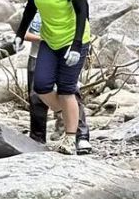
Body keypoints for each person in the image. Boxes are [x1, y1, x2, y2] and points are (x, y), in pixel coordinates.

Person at [14, 0, 91, 155]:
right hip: (49, 39)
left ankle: (71, 138)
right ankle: (67, 114)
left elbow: (82, 11)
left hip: (73, 40)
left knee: (67, 90)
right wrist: (20, 34)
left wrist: (77, 45)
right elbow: (31, 6)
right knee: (42, 86)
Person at [24, 14, 91, 153]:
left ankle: (81, 136)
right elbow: (22, 33)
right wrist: (45, 39)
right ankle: (37, 139)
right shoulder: (33, 9)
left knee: (70, 92)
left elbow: (83, 29)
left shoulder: (69, 6)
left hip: (65, 55)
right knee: (36, 97)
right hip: (37, 56)